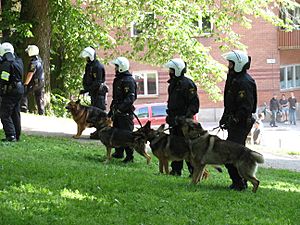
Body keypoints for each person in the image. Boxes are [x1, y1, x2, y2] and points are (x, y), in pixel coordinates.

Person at [219, 50, 257, 191]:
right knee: (231, 154)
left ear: (238, 64)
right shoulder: (235, 79)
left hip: (241, 123)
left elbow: (246, 107)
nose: (228, 66)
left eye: (231, 63)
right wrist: (225, 118)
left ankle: (240, 183)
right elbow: (229, 103)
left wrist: (235, 119)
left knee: (232, 155)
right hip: (235, 122)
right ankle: (239, 182)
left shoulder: (244, 82)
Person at [164, 58, 200, 177]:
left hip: (184, 122)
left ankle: (193, 170)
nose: (170, 72)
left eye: (171, 70)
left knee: (187, 146)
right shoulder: (173, 84)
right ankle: (176, 170)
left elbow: (194, 104)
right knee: (175, 145)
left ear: (177, 70)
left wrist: (185, 118)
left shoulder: (188, 84)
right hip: (174, 121)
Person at [108, 57, 137, 163]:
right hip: (117, 112)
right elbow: (115, 98)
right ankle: (118, 152)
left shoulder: (129, 81)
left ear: (121, 67)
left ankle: (130, 156)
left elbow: (130, 98)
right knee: (116, 133)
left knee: (127, 135)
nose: (115, 69)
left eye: (116, 67)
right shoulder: (118, 80)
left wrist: (121, 108)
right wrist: (111, 111)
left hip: (125, 113)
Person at [0, 42, 24, 142]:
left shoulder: (6, 64)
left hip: (11, 91)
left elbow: (4, 80)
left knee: (4, 114)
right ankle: (16, 135)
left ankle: (11, 135)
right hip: (19, 89)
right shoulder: (18, 61)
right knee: (15, 112)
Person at [20, 45, 45, 115]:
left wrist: (25, 84)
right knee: (39, 96)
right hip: (41, 82)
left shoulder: (33, 63)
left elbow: (30, 74)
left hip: (34, 83)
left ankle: (23, 108)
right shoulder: (39, 60)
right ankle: (41, 112)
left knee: (24, 93)